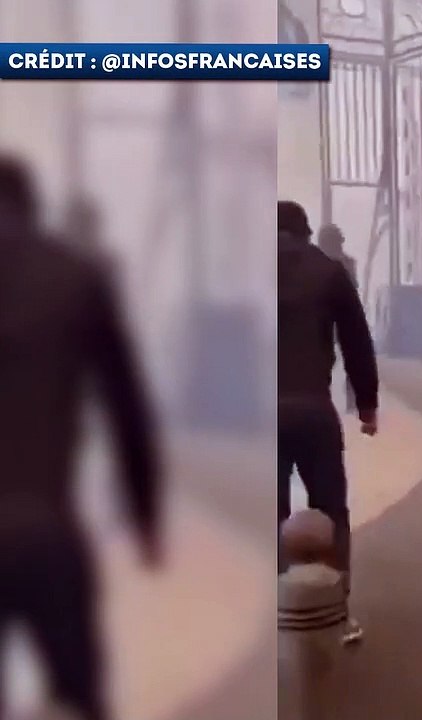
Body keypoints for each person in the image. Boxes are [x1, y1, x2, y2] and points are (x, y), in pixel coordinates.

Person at [0, 154, 161, 720]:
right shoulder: (76, 276)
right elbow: (128, 410)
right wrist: (144, 518)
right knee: (79, 699)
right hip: (47, 531)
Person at [277, 201, 378, 644]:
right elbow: (357, 339)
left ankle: (280, 610)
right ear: (307, 232)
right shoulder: (328, 271)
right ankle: (337, 610)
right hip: (314, 408)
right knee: (331, 507)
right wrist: (367, 403)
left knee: (270, 513)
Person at [317, 223, 358, 413]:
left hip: (322, 318)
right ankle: (350, 399)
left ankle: (324, 397)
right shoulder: (347, 263)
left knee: (322, 360)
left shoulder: (313, 262)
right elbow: (353, 287)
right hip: (342, 317)